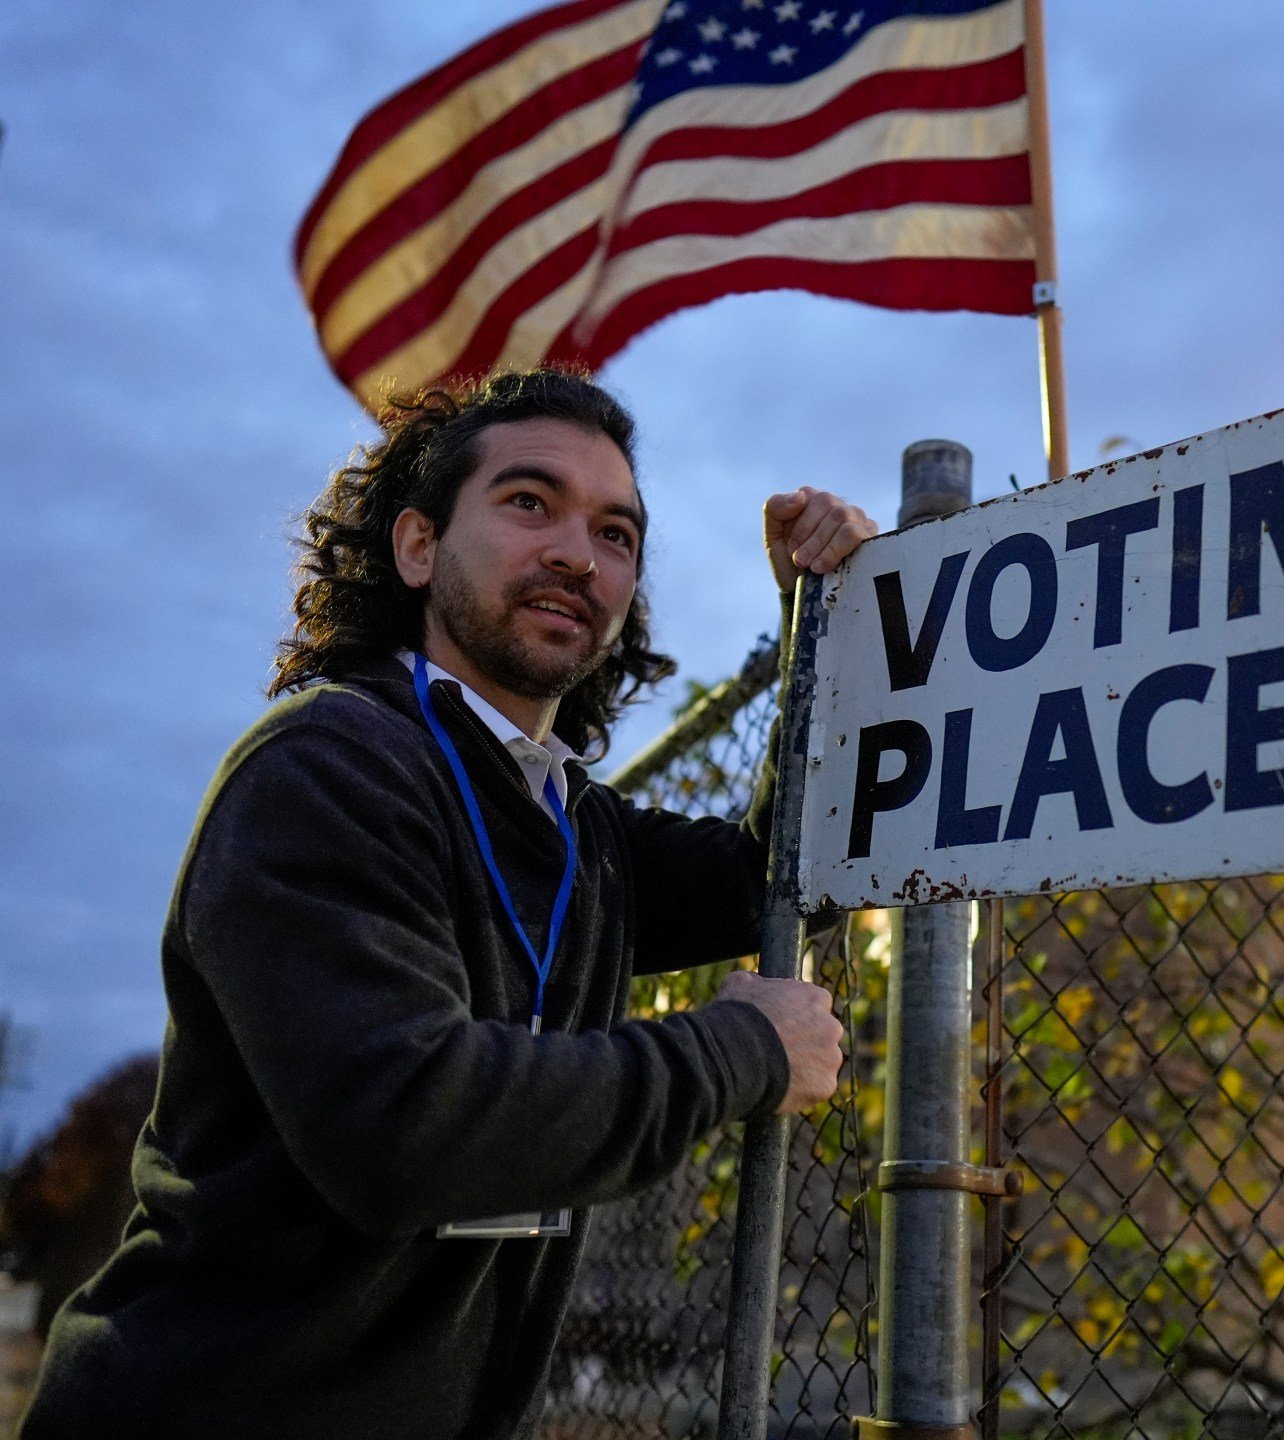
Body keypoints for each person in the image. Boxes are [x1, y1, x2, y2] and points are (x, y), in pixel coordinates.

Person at [19, 369, 877, 1439]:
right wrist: (739, 1052)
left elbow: (786, 874)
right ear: (417, 547)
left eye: (617, 533)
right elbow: (404, 1125)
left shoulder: (575, 825)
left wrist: (826, 631)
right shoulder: (325, 766)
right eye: (530, 503)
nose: (578, 551)